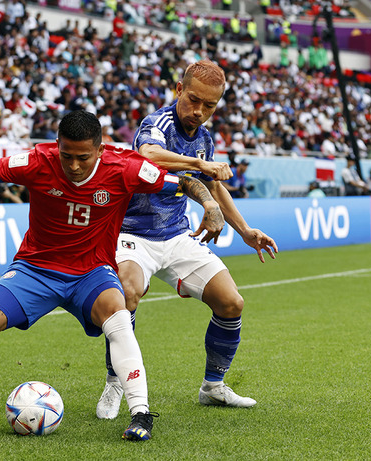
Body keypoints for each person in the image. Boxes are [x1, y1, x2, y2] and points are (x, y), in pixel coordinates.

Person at [0, 110, 226, 442]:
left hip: (91, 273)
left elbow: (184, 182)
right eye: (67, 155)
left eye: (84, 157)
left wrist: (209, 204)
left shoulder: (125, 166)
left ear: (100, 149)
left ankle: (141, 412)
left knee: (119, 316)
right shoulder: (36, 161)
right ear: (57, 146)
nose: (75, 166)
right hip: (36, 269)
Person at [95, 60, 278, 421]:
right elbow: (149, 156)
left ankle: (213, 387)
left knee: (231, 303)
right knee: (127, 293)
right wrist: (204, 167)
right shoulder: (157, 124)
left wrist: (245, 231)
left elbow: (213, 186)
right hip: (133, 233)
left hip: (178, 235)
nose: (199, 111)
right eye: (193, 100)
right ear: (179, 89)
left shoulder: (204, 138)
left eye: (209, 106)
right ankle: (115, 380)